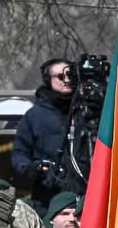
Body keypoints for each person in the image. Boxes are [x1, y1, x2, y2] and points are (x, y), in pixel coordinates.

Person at [11, 59, 74, 199]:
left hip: (85, 193)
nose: (67, 79)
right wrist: (33, 169)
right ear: (48, 80)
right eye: (60, 76)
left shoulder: (87, 112)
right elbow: (19, 153)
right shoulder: (34, 115)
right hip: (48, 195)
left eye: (71, 75)